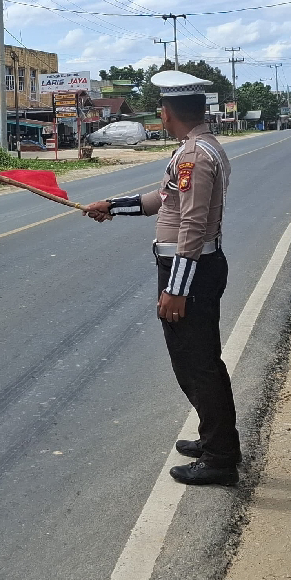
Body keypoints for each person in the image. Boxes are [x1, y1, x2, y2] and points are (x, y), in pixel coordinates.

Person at [82, 70, 240, 486]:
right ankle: (214, 441)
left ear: (168, 112)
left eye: (162, 109)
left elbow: (191, 226)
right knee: (195, 361)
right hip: (194, 268)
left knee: (198, 364)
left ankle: (221, 457)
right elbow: (162, 200)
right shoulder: (199, 148)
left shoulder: (193, 156)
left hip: (189, 270)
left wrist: (176, 288)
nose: (161, 115)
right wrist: (111, 205)